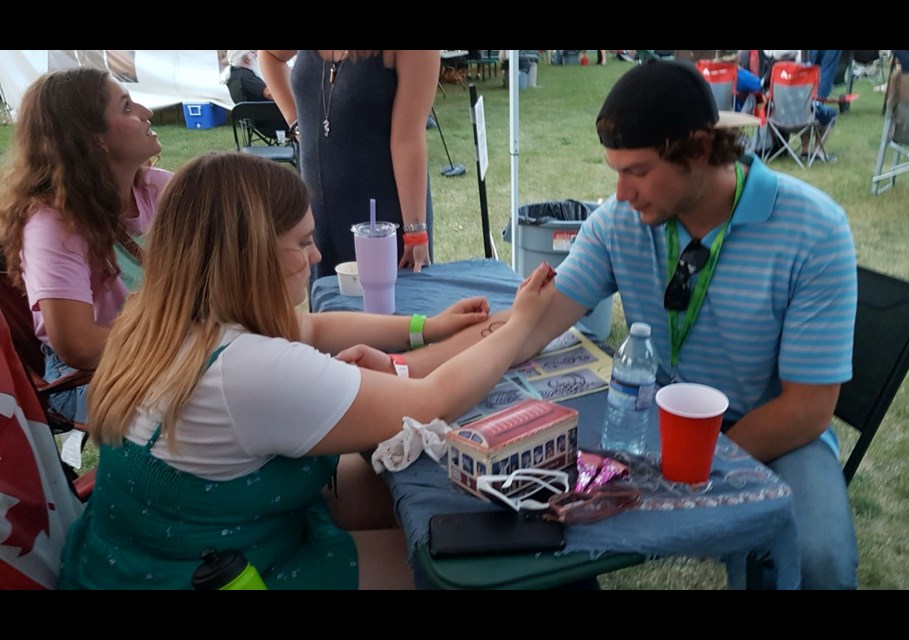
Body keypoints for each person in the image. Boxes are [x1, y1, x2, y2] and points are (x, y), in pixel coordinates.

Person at [403, 59, 860, 590]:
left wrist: (695, 464)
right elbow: (532, 325)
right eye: (615, 171)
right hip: (656, 423)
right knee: (534, 518)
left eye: (637, 172)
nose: (621, 193)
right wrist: (404, 368)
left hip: (779, 432)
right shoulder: (620, 223)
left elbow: (808, 408)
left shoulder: (815, 230)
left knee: (820, 560)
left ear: (700, 149)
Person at [57, 152, 557, 590]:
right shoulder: (246, 370)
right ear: (249, 256)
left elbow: (312, 329)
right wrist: (521, 327)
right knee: (464, 570)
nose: (316, 256)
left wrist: (427, 326)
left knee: (417, 498)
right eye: (303, 241)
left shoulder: (159, 319)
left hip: (136, 561)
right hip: (225, 575)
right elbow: (430, 401)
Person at [0, 67, 171, 424]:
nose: (146, 112)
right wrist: (181, 342)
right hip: (93, 375)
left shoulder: (159, 190)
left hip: (162, 346)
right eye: (126, 107)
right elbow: (78, 345)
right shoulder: (53, 224)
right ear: (94, 139)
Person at [259, 50, 439, 287]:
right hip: (320, 214)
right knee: (328, 309)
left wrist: (415, 233)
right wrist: (295, 123)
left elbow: (408, 140)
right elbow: (269, 56)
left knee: (388, 315)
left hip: (381, 220)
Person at [221, 49, 287, 140]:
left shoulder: (234, 75)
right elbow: (269, 93)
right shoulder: (244, 76)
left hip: (256, 120)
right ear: (246, 59)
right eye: (252, 53)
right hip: (272, 122)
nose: (256, 56)